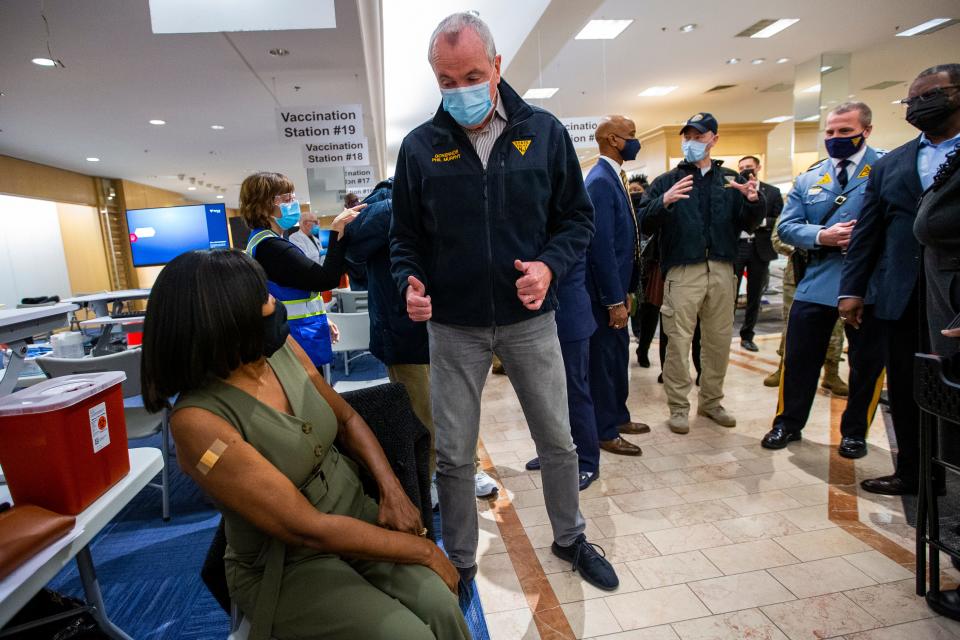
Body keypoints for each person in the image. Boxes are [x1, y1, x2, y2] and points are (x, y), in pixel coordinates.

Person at [390, 12, 617, 591]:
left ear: (496, 66)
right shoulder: (420, 148)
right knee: (455, 457)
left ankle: (570, 537)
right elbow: (404, 239)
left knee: (558, 441)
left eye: (471, 74)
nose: (459, 90)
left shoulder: (543, 132)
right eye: (446, 81)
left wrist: (548, 266)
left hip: (530, 323)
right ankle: (461, 562)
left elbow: (575, 221)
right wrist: (410, 282)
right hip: (454, 328)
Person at [140, 250, 470, 640]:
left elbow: (346, 418)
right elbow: (306, 529)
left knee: (441, 605)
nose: (275, 303)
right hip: (288, 560)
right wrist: (427, 550)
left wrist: (392, 489)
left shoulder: (279, 350)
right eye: (264, 296)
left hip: (354, 512)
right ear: (227, 318)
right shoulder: (198, 421)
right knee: (405, 634)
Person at [840, 65, 960, 495]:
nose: (918, 106)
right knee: (909, 388)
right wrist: (852, 289)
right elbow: (867, 233)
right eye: (911, 100)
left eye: (930, 95)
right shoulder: (893, 164)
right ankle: (915, 472)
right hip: (900, 294)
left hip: (953, 292)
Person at [345, 178, 499, 499]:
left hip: (449, 326)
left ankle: (468, 467)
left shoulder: (444, 200)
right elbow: (354, 248)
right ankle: (428, 477)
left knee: (460, 404)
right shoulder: (382, 207)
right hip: (402, 333)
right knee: (421, 412)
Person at [761, 102, 886, 459]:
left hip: (869, 282)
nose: (835, 138)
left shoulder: (885, 169)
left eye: (844, 131)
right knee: (799, 359)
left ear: (866, 130)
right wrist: (823, 235)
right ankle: (787, 422)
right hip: (817, 280)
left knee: (866, 364)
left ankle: (855, 432)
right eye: (830, 132)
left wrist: (862, 237)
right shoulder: (811, 177)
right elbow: (786, 226)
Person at [638, 112, 764, 434]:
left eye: (698, 136)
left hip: (722, 269)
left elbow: (748, 223)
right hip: (682, 271)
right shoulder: (666, 181)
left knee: (719, 341)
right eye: (687, 137)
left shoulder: (730, 181)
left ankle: (711, 402)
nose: (691, 142)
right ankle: (678, 406)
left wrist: (753, 202)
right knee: (678, 341)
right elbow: (643, 222)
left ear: (714, 139)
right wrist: (663, 202)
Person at [240, 172, 361, 369]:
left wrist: (322, 316)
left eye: (293, 198)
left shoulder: (264, 241)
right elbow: (325, 280)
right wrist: (337, 230)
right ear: (263, 205)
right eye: (286, 199)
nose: (293, 204)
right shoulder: (272, 248)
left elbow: (295, 288)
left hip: (294, 332)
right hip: (294, 339)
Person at [584, 115, 648, 457]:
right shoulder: (599, 182)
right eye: (631, 135)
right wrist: (612, 300)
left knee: (617, 357)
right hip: (602, 296)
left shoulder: (614, 178)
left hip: (618, 289)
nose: (635, 141)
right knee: (605, 364)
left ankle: (618, 416)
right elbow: (602, 248)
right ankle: (605, 430)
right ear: (612, 140)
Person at [525, 249, 603, 491]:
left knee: (574, 393)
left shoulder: (568, 224)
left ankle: (588, 462)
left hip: (569, 320)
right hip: (538, 321)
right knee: (545, 397)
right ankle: (553, 453)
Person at [763, 215, 848, 396]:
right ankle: (783, 368)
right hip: (797, 274)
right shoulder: (795, 211)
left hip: (832, 273)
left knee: (836, 327)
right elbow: (777, 239)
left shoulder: (842, 211)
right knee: (791, 324)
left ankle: (831, 374)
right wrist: (811, 243)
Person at [733, 156, 783, 352]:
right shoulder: (735, 190)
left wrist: (759, 219)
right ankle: (724, 332)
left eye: (750, 167)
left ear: (758, 167)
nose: (746, 171)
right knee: (730, 293)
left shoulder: (772, 192)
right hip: (738, 247)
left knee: (755, 295)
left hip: (760, 248)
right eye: (742, 168)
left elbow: (779, 219)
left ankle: (748, 335)